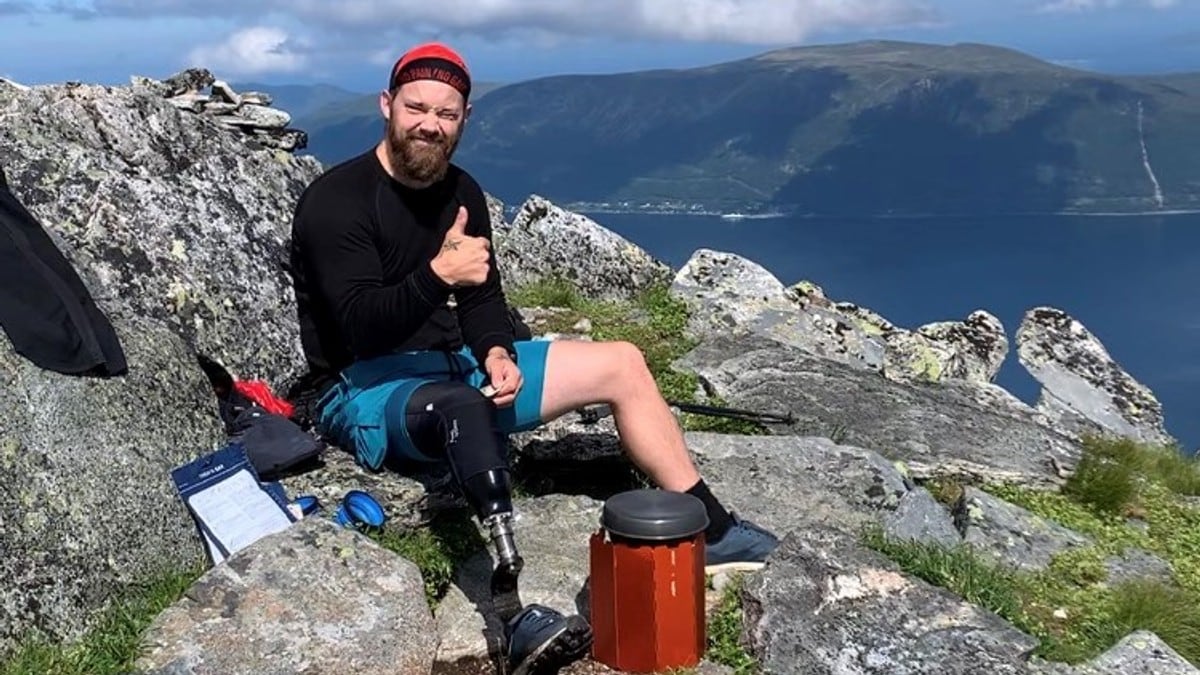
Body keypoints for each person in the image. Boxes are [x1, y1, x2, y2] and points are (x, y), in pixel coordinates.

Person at [286, 42, 779, 674]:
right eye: (416, 108)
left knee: (622, 361)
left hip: (454, 362)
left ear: (464, 121)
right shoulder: (338, 200)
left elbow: (484, 297)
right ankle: (509, 609)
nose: (429, 124)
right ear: (387, 106)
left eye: (447, 113)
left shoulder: (461, 192)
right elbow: (359, 329)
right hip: (366, 386)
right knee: (464, 407)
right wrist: (439, 275)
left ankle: (709, 527)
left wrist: (496, 351)